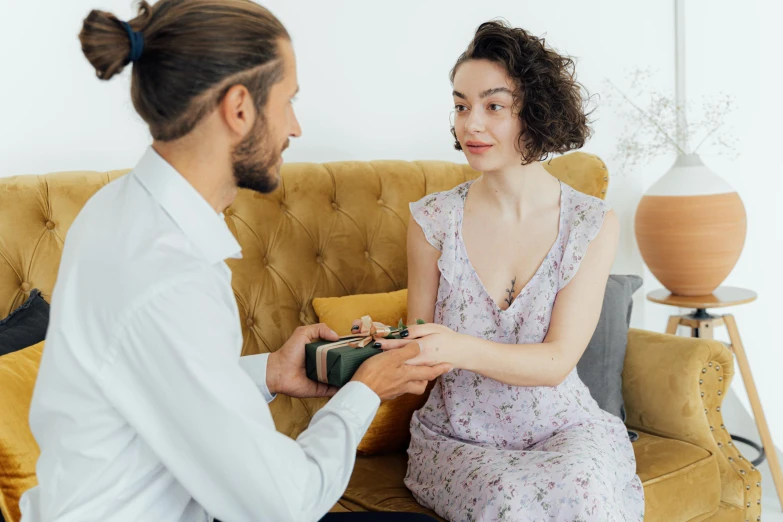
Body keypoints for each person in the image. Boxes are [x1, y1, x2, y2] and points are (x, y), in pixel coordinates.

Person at [18, 1, 449, 521]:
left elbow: (162, 388)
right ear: (240, 107)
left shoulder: (118, 209)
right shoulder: (168, 274)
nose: (295, 127)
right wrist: (364, 392)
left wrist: (269, 372)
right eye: (288, 100)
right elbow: (284, 505)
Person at [372, 21, 645, 521]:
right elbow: (421, 353)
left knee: (582, 490)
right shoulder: (432, 221)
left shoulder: (590, 223)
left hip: (564, 428)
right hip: (460, 439)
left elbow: (557, 362)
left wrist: (452, 344)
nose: (470, 124)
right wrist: (387, 345)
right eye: (460, 105)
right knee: (507, 500)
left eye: (493, 106)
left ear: (536, 114)